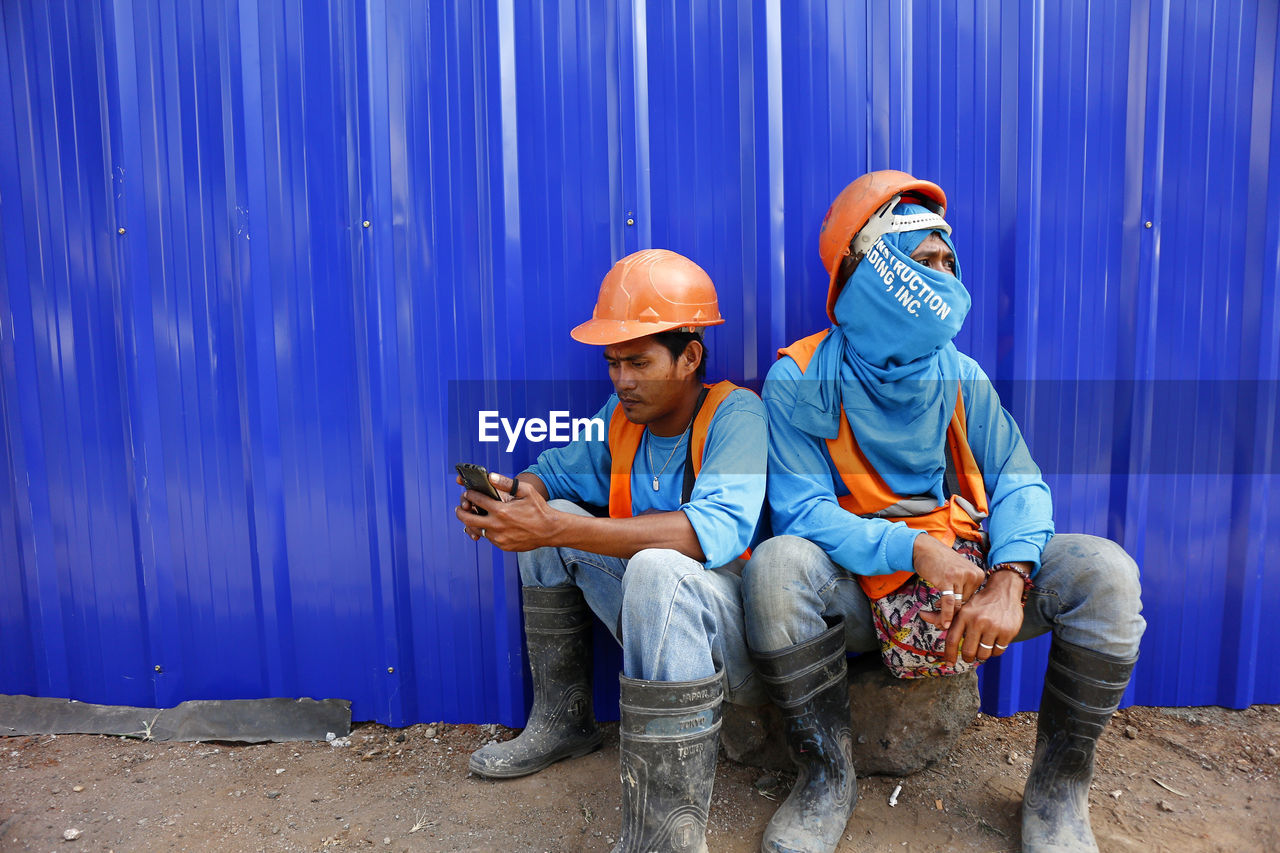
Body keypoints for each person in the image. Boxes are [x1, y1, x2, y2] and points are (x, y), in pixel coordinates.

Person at [742, 171, 1145, 853]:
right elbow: (802, 510)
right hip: (860, 594)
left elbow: (1021, 483)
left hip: (965, 588)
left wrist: (1008, 578)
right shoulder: (799, 377)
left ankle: (1056, 793)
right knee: (778, 565)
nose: (941, 276)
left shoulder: (960, 373)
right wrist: (910, 549)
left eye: (946, 262)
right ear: (866, 267)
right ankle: (824, 777)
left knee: (1105, 573)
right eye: (920, 261)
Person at [455, 248, 767, 853]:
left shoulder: (738, 415)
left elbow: (711, 533)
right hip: (654, 629)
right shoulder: (620, 420)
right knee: (554, 517)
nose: (622, 379)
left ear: (690, 357)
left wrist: (554, 528)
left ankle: (668, 834)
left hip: (734, 646)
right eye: (613, 363)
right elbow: (552, 473)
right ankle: (564, 719)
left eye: (639, 362)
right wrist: (511, 497)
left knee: (633, 555)